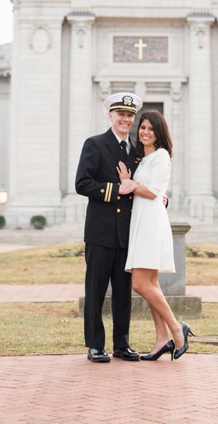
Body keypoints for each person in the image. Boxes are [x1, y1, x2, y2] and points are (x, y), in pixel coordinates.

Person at [75, 92, 144, 363]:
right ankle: (95, 345)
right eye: (121, 115)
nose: (126, 119)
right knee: (96, 290)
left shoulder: (137, 151)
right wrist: (117, 189)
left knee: (123, 293)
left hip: (127, 233)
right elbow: (82, 184)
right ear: (110, 116)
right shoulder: (94, 144)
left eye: (130, 115)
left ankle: (121, 345)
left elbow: (142, 184)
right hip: (101, 232)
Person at [121, 110, 193, 361]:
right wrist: (131, 183)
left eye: (151, 129)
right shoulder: (143, 158)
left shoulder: (161, 156)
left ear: (159, 133)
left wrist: (129, 185)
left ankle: (176, 328)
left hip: (150, 223)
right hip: (142, 221)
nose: (145, 132)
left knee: (140, 284)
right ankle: (162, 338)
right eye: (142, 127)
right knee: (151, 284)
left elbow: (153, 192)